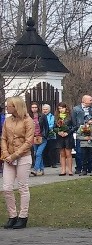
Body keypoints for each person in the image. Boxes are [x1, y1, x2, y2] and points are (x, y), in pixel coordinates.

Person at [2, 97, 34, 230]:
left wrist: (15, 155)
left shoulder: (28, 120)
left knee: (23, 187)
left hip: (23, 157)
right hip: (8, 157)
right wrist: (5, 153)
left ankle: (23, 216)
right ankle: (12, 215)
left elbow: (28, 141)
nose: (7, 108)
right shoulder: (8, 120)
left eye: (9, 106)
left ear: (16, 107)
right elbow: (3, 137)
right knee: (7, 188)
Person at [71, 95, 92, 175]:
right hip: (81, 131)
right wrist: (77, 129)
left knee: (91, 152)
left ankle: (91, 168)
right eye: (90, 100)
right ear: (84, 100)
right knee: (79, 151)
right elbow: (73, 120)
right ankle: (79, 168)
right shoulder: (76, 109)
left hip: (91, 132)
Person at [54, 103, 74, 176]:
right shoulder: (56, 117)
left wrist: (67, 132)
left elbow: (74, 126)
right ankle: (63, 170)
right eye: (59, 108)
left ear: (66, 108)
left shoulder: (70, 116)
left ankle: (70, 170)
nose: (61, 110)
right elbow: (54, 127)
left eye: (62, 108)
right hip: (60, 137)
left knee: (68, 153)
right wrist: (58, 132)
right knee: (62, 154)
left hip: (68, 137)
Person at [29, 102, 48, 176]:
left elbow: (46, 127)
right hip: (34, 137)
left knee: (38, 153)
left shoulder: (42, 116)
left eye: (35, 107)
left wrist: (45, 135)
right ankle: (42, 169)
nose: (34, 109)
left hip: (42, 137)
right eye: (32, 107)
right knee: (37, 154)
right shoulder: (29, 116)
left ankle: (35, 169)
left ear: (38, 108)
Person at [41, 104, 56, 169]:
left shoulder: (52, 116)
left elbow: (51, 124)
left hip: (50, 134)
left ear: (49, 110)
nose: (45, 111)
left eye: (46, 109)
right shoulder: (41, 116)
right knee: (44, 149)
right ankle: (45, 163)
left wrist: (47, 128)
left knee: (51, 149)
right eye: (44, 109)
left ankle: (53, 163)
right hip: (43, 135)